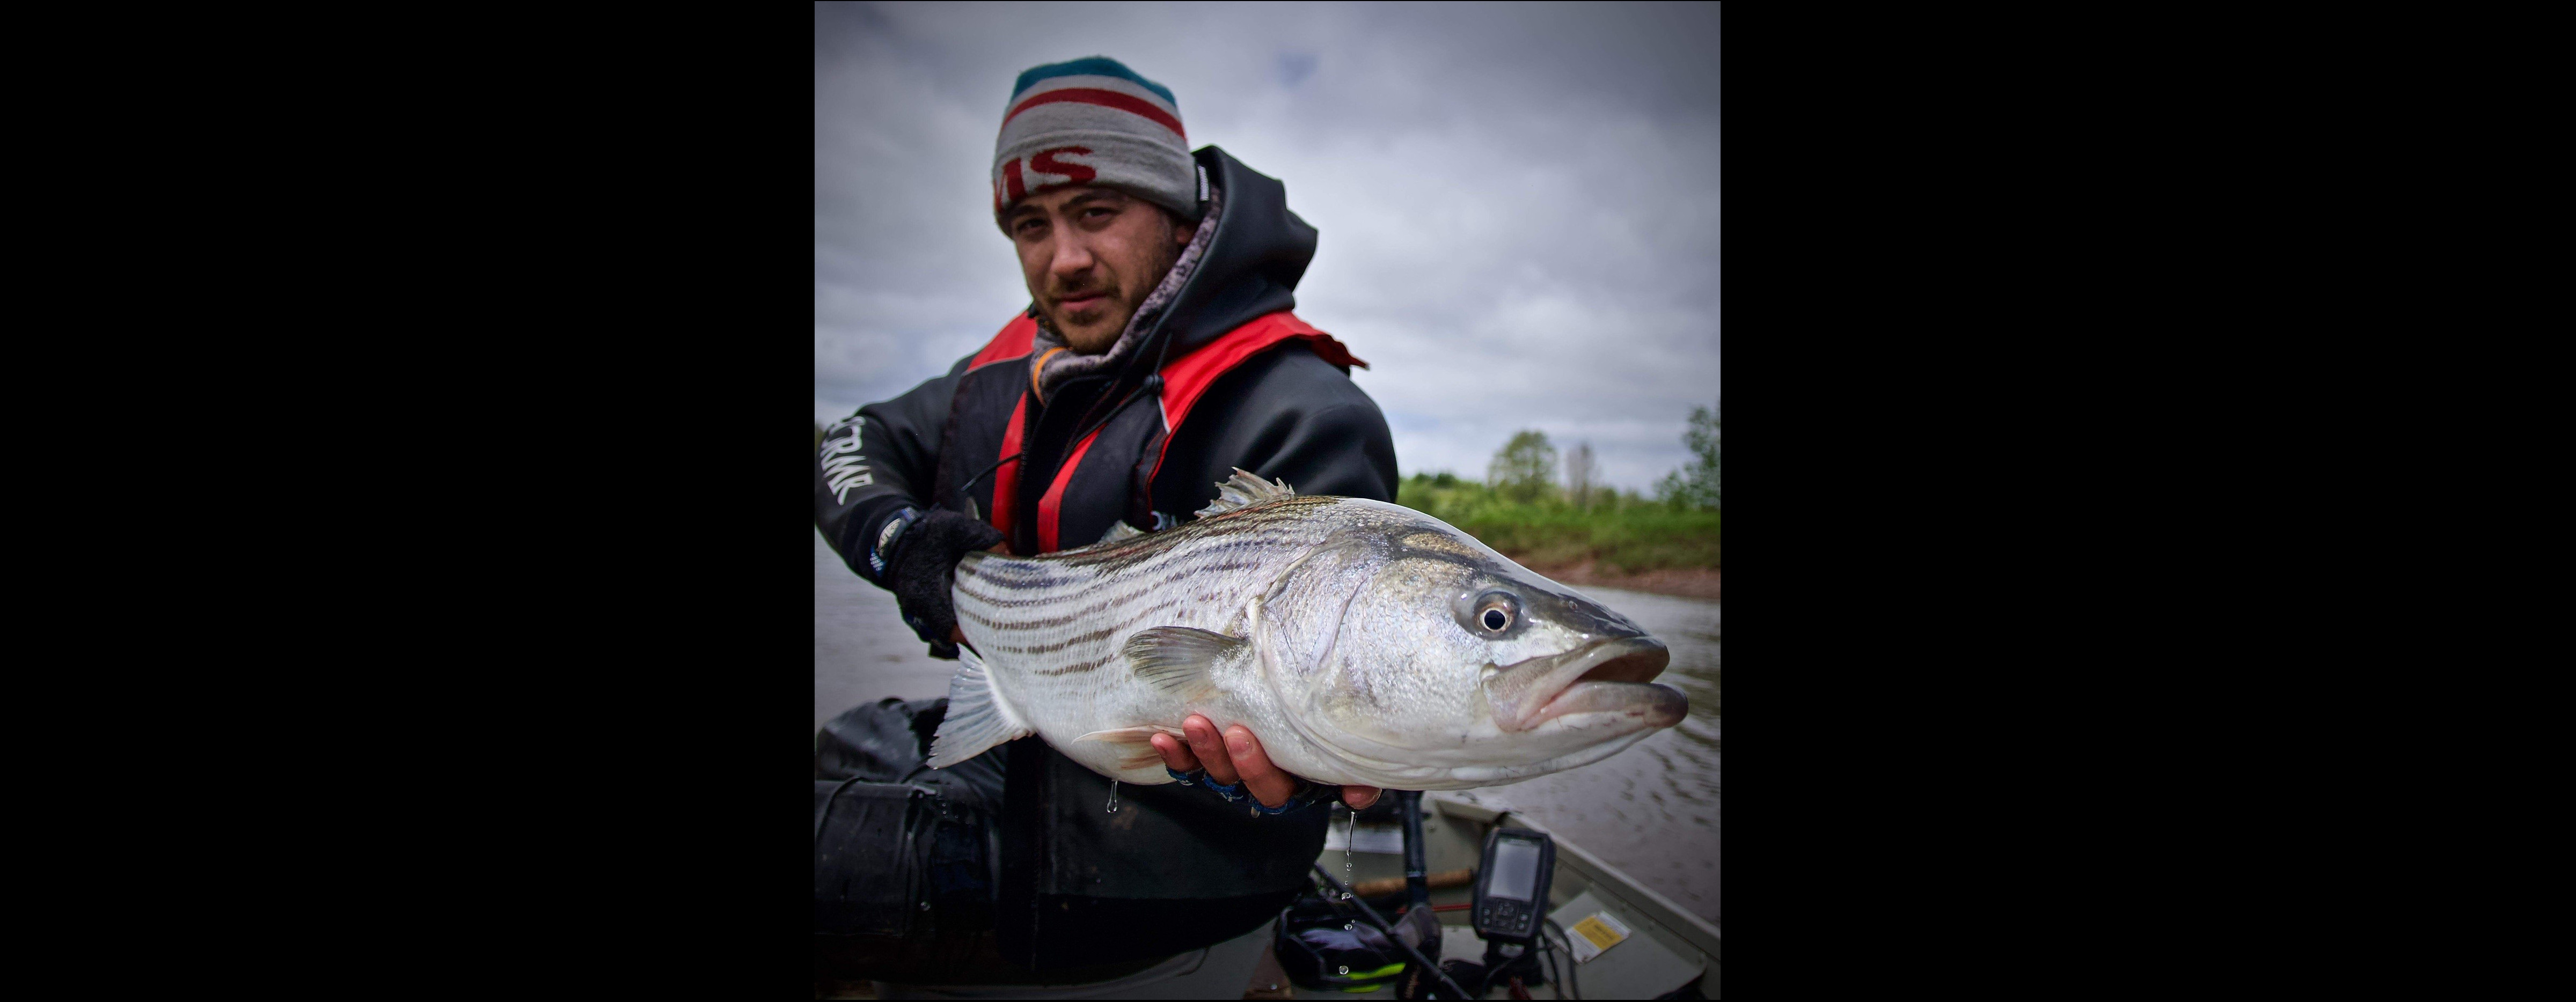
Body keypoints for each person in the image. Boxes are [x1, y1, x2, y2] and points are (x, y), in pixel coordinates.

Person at [814, 56, 1400, 984]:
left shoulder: (1298, 408)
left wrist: (1328, 753)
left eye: (1096, 213)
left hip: (1162, 867)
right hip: (1020, 740)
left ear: (1177, 215)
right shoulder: (1005, 368)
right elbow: (848, 441)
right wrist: (903, 543)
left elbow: (1342, 687)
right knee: (841, 742)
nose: (1064, 260)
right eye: (1029, 226)